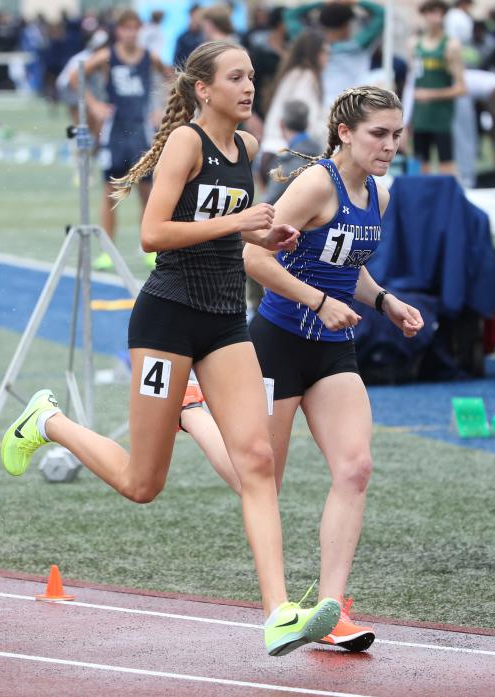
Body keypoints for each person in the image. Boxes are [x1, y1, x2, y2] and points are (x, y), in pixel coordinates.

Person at [0, 40, 342, 657]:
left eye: (252, 77)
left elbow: (232, 236)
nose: (249, 87)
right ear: (203, 89)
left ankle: (277, 613)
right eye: (236, 77)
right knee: (142, 482)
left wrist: (271, 233)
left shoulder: (249, 148)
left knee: (258, 462)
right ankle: (47, 420)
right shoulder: (188, 141)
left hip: (224, 322)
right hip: (166, 323)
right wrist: (238, 223)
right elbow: (153, 233)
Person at [180, 85, 423, 653]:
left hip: (332, 352)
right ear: (345, 132)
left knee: (356, 467)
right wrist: (316, 301)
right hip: (279, 343)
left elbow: (348, 267)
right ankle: (193, 412)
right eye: (378, 135)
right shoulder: (316, 182)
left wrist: (384, 300)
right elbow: (252, 254)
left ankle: (330, 609)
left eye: (396, 135)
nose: (390, 146)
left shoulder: (378, 197)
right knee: (258, 480)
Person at [77, 9, 168, 271]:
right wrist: (93, 104)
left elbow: (173, 78)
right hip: (115, 131)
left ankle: (149, 246)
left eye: (134, 28)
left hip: (141, 131)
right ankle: (107, 249)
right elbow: (76, 77)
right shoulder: (107, 56)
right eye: (125, 28)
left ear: (140, 30)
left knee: (147, 191)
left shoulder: (149, 58)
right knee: (110, 192)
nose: (130, 33)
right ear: (118, 31)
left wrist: (160, 108)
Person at [260, 30, 328, 185]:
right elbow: (303, 121)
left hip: (274, 153)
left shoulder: (294, 75)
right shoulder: (305, 77)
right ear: (314, 53)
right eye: (324, 52)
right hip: (287, 156)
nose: (327, 58)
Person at [411, 0, 466, 175]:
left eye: (439, 13)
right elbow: (410, 82)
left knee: (446, 166)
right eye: (431, 12)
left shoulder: (451, 46)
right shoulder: (414, 45)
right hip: (419, 117)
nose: (435, 18)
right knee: (419, 166)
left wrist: (431, 94)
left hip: (441, 118)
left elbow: (461, 87)